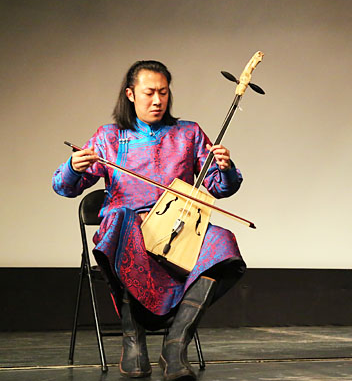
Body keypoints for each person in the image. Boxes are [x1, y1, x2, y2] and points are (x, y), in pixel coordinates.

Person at [53, 60, 246, 380]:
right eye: (149, 93)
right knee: (122, 224)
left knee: (221, 243)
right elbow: (65, 187)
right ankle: (134, 342)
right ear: (130, 94)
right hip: (128, 229)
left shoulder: (188, 133)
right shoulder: (109, 137)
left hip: (177, 230)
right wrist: (73, 167)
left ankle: (175, 345)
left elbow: (219, 188)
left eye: (163, 92)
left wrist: (225, 168)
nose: (157, 100)